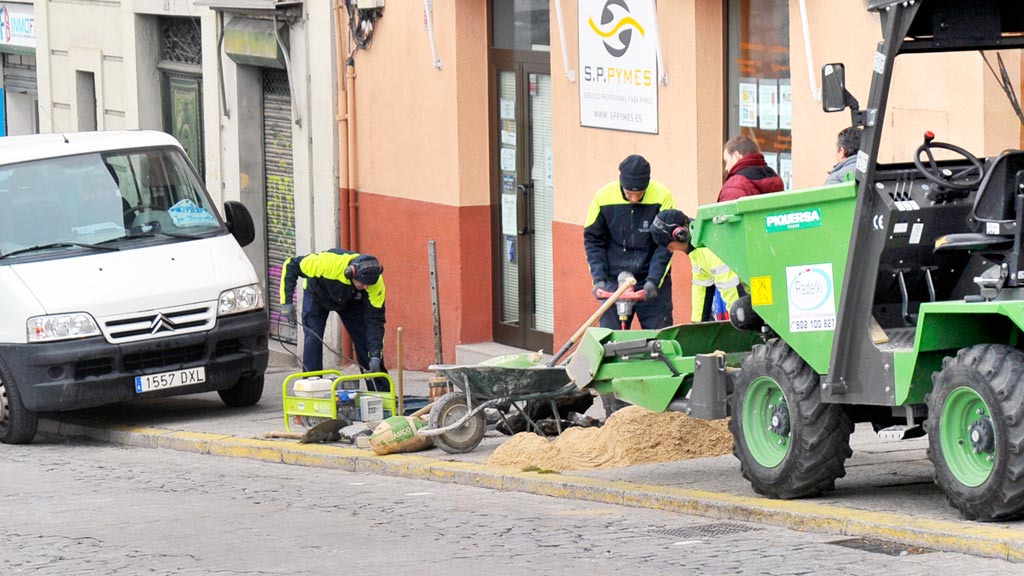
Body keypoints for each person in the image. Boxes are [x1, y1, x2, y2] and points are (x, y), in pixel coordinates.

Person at [584, 154, 675, 416]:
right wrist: (599, 279)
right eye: (629, 192)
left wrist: (653, 282)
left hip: (651, 280)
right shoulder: (603, 198)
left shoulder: (662, 196)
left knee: (661, 343)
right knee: (610, 345)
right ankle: (614, 410)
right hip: (614, 280)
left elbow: (665, 246)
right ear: (621, 183)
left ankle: (660, 408)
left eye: (640, 193)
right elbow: (593, 240)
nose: (635, 198)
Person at [279, 249, 389, 392]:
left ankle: (381, 394)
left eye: (369, 284)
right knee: (313, 340)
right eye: (363, 283)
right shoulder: (327, 263)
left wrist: (375, 355)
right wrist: (286, 302)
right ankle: (312, 392)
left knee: (365, 342)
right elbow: (291, 265)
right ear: (351, 273)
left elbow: (376, 322)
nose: (367, 287)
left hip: (351, 300)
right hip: (317, 296)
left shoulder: (375, 283)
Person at [651, 209, 741, 323]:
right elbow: (701, 289)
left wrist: (739, 319)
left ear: (680, 235)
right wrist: (696, 326)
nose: (670, 250)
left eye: (669, 245)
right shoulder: (697, 250)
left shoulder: (710, 248)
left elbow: (733, 290)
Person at [719, 135, 785, 201]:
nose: (726, 168)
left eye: (727, 161)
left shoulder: (734, 185)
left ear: (736, 156)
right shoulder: (774, 178)